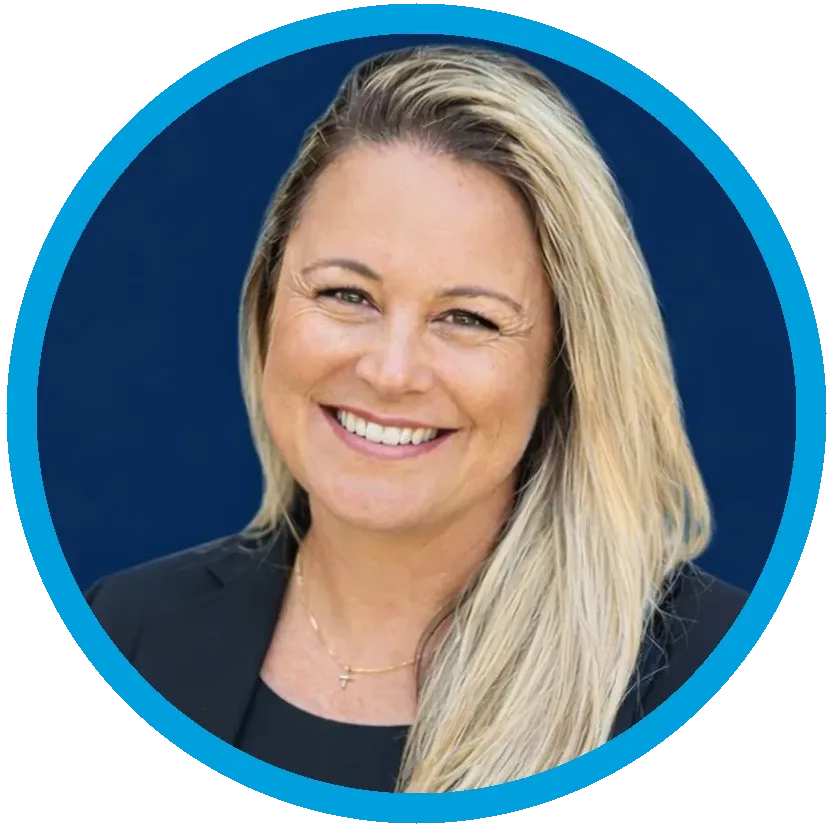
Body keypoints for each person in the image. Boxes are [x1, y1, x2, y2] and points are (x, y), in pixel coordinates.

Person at [85, 44, 748, 794]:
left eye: (466, 317)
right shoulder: (128, 628)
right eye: (346, 295)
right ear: (266, 302)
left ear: (563, 366)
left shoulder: (710, 673)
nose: (390, 371)